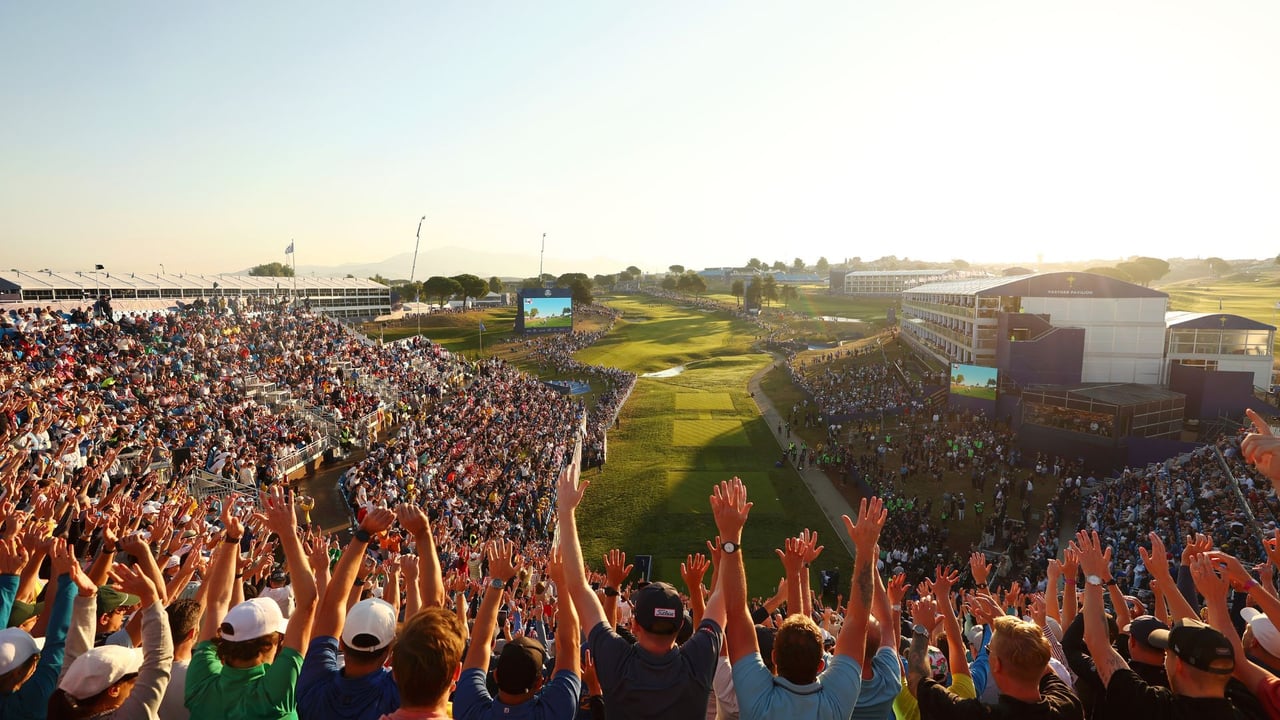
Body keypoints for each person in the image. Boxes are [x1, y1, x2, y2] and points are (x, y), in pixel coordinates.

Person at [557, 441, 726, 720]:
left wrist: (566, 511)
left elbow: (578, 587)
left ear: (634, 625)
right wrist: (730, 543)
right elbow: (722, 600)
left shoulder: (617, 659)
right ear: (680, 626)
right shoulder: (698, 660)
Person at [718, 476, 884, 720]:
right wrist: (866, 550)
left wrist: (730, 537)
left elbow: (735, 612)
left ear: (773, 658)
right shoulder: (836, 703)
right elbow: (859, 623)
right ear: (820, 665)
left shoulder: (757, 702)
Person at [185, 488, 317, 720]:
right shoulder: (274, 694)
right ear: (268, 645)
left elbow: (216, 603)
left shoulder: (202, 682)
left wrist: (233, 537)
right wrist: (287, 532)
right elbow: (306, 602)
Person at [1077, 530, 1237, 720]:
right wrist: (1165, 578)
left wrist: (1093, 576)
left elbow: (1096, 642)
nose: (1164, 655)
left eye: (1168, 652)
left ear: (1179, 665)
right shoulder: (1243, 705)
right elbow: (1198, 633)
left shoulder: (1156, 706)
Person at [453, 539, 581, 720]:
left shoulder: (469, 709)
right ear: (539, 683)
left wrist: (497, 582)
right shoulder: (557, 711)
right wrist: (562, 583)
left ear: (495, 675)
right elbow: (571, 645)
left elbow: (478, 644)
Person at [296, 507, 403, 720]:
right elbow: (332, 607)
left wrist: (363, 535)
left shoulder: (314, 686)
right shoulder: (396, 698)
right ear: (389, 651)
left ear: (341, 643)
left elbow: (332, 605)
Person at [48, 563, 172, 720]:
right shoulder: (128, 717)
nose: (139, 679)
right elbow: (159, 662)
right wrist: (150, 598)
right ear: (114, 690)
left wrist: (86, 599)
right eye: (135, 676)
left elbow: (74, 654)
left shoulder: (68, 699)